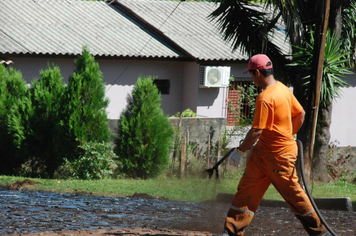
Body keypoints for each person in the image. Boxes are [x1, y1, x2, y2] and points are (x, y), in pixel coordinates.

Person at [215, 54, 329, 236]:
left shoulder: (265, 98)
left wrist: (241, 150)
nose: (251, 79)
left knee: (293, 194)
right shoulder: (283, 89)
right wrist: (290, 133)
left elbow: (256, 131)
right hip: (262, 153)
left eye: (251, 74)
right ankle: (231, 231)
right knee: (247, 190)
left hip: (279, 156)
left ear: (258, 72)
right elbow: (300, 113)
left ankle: (320, 232)